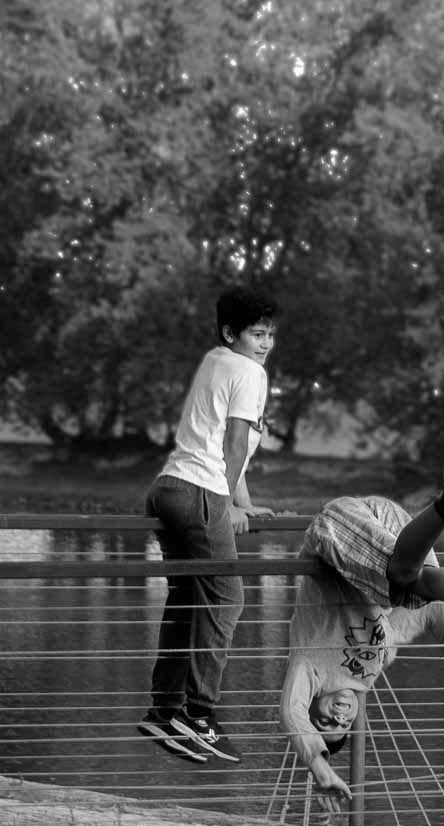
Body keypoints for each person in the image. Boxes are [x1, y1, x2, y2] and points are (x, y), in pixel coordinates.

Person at [279, 465, 444, 813]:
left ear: (313, 704)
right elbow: (434, 614)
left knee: (401, 577)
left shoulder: (309, 667)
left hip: (339, 531)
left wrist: (320, 768)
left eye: (325, 721)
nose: (339, 716)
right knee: (417, 591)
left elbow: (291, 713)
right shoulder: (379, 657)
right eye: (344, 724)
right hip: (399, 537)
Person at [139, 286, 279, 764]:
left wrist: (244, 501)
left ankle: (163, 710)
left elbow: (214, 438)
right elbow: (234, 444)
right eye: (257, 334)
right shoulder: (250, 371)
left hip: (168, 489)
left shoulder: (215, 361)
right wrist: (226, 504)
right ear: (230, 333)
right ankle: (199, 714)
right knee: (227, 597)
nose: (265, 344)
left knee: (187, 597)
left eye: (270, 335)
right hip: (200, 492)